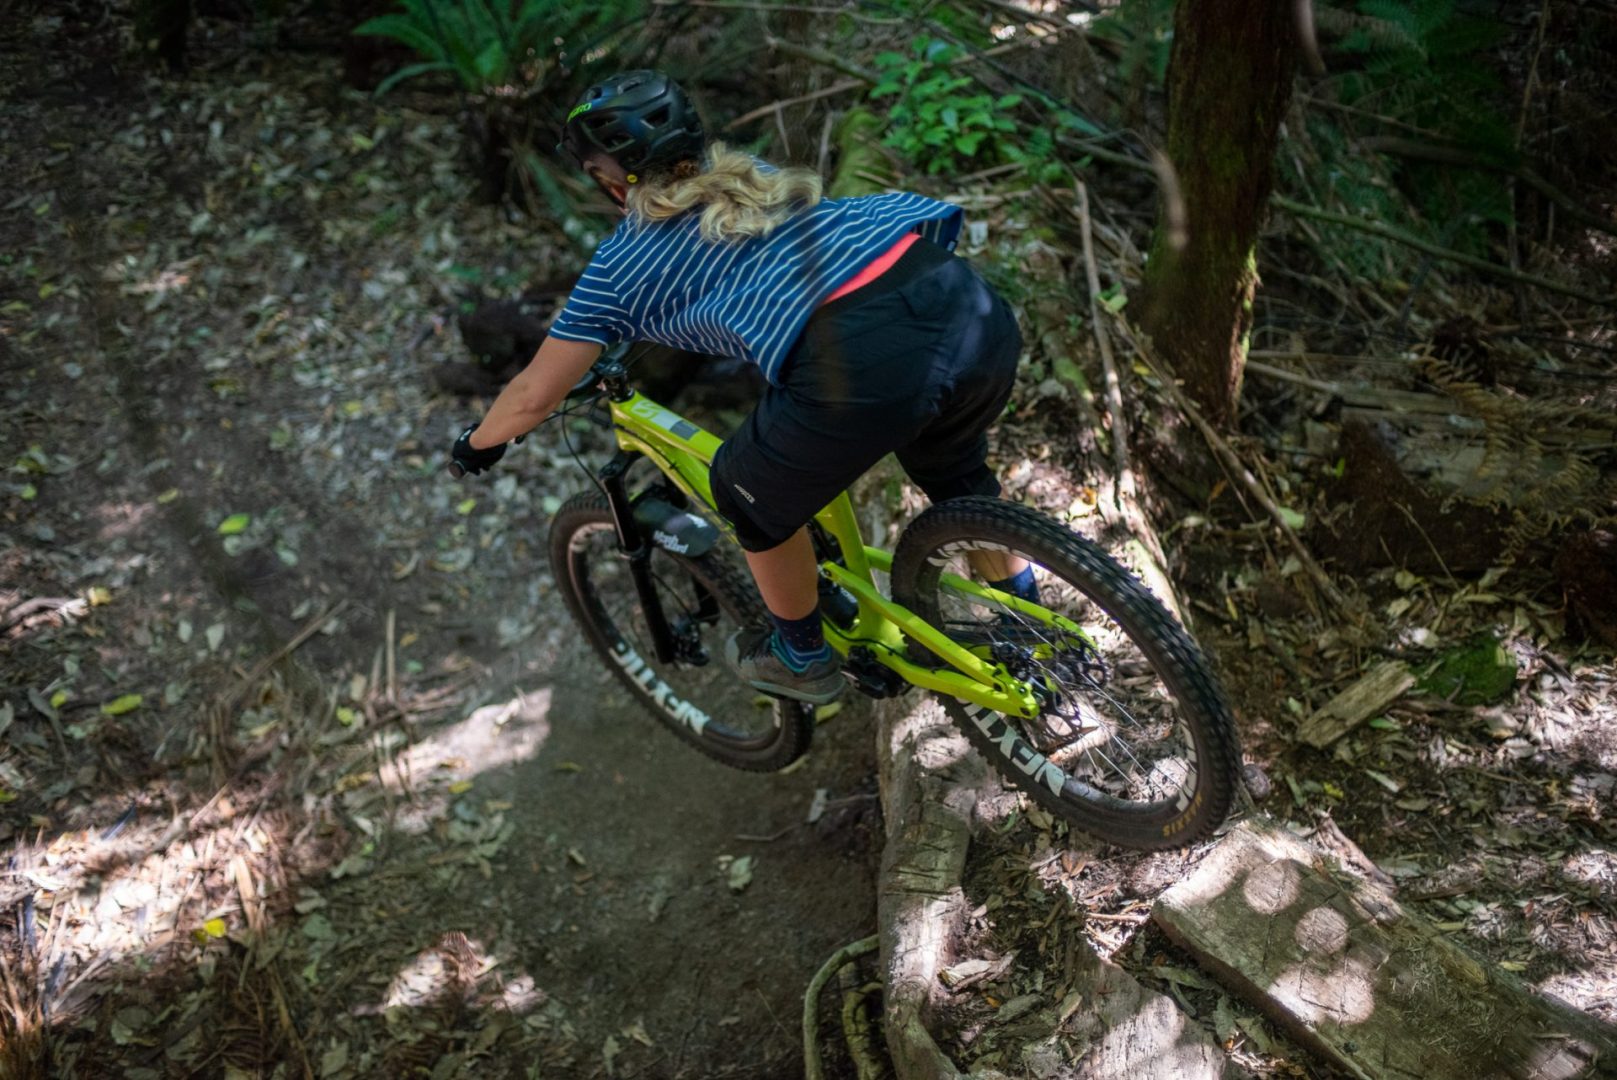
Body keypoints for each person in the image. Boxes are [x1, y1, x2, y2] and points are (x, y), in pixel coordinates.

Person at [451, 70, 1034, 705]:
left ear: (609, 180)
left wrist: (478, 444)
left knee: (742, 490)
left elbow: (535, 392)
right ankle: (1033, 632)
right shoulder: (753, 177)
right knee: (955, 476)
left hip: (866, 359)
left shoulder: (619, 265)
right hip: (966, 303)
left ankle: (800, 656)